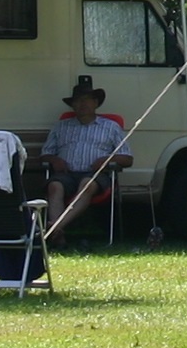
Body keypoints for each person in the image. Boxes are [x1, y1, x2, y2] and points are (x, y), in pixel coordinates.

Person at [43, 75, 131, 243]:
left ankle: (55, 228)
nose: (82, 104)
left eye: (87, 100)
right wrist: (54, 160)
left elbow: (128, 158)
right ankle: (58, 236)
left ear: (95, 103)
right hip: (66, 174)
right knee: (54, 186)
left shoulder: (111, 127)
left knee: (86, 185)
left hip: (95, 175)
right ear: (72, 105)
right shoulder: (61, 126)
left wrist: (107, 160)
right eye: (78, 101)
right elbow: (45, 153)